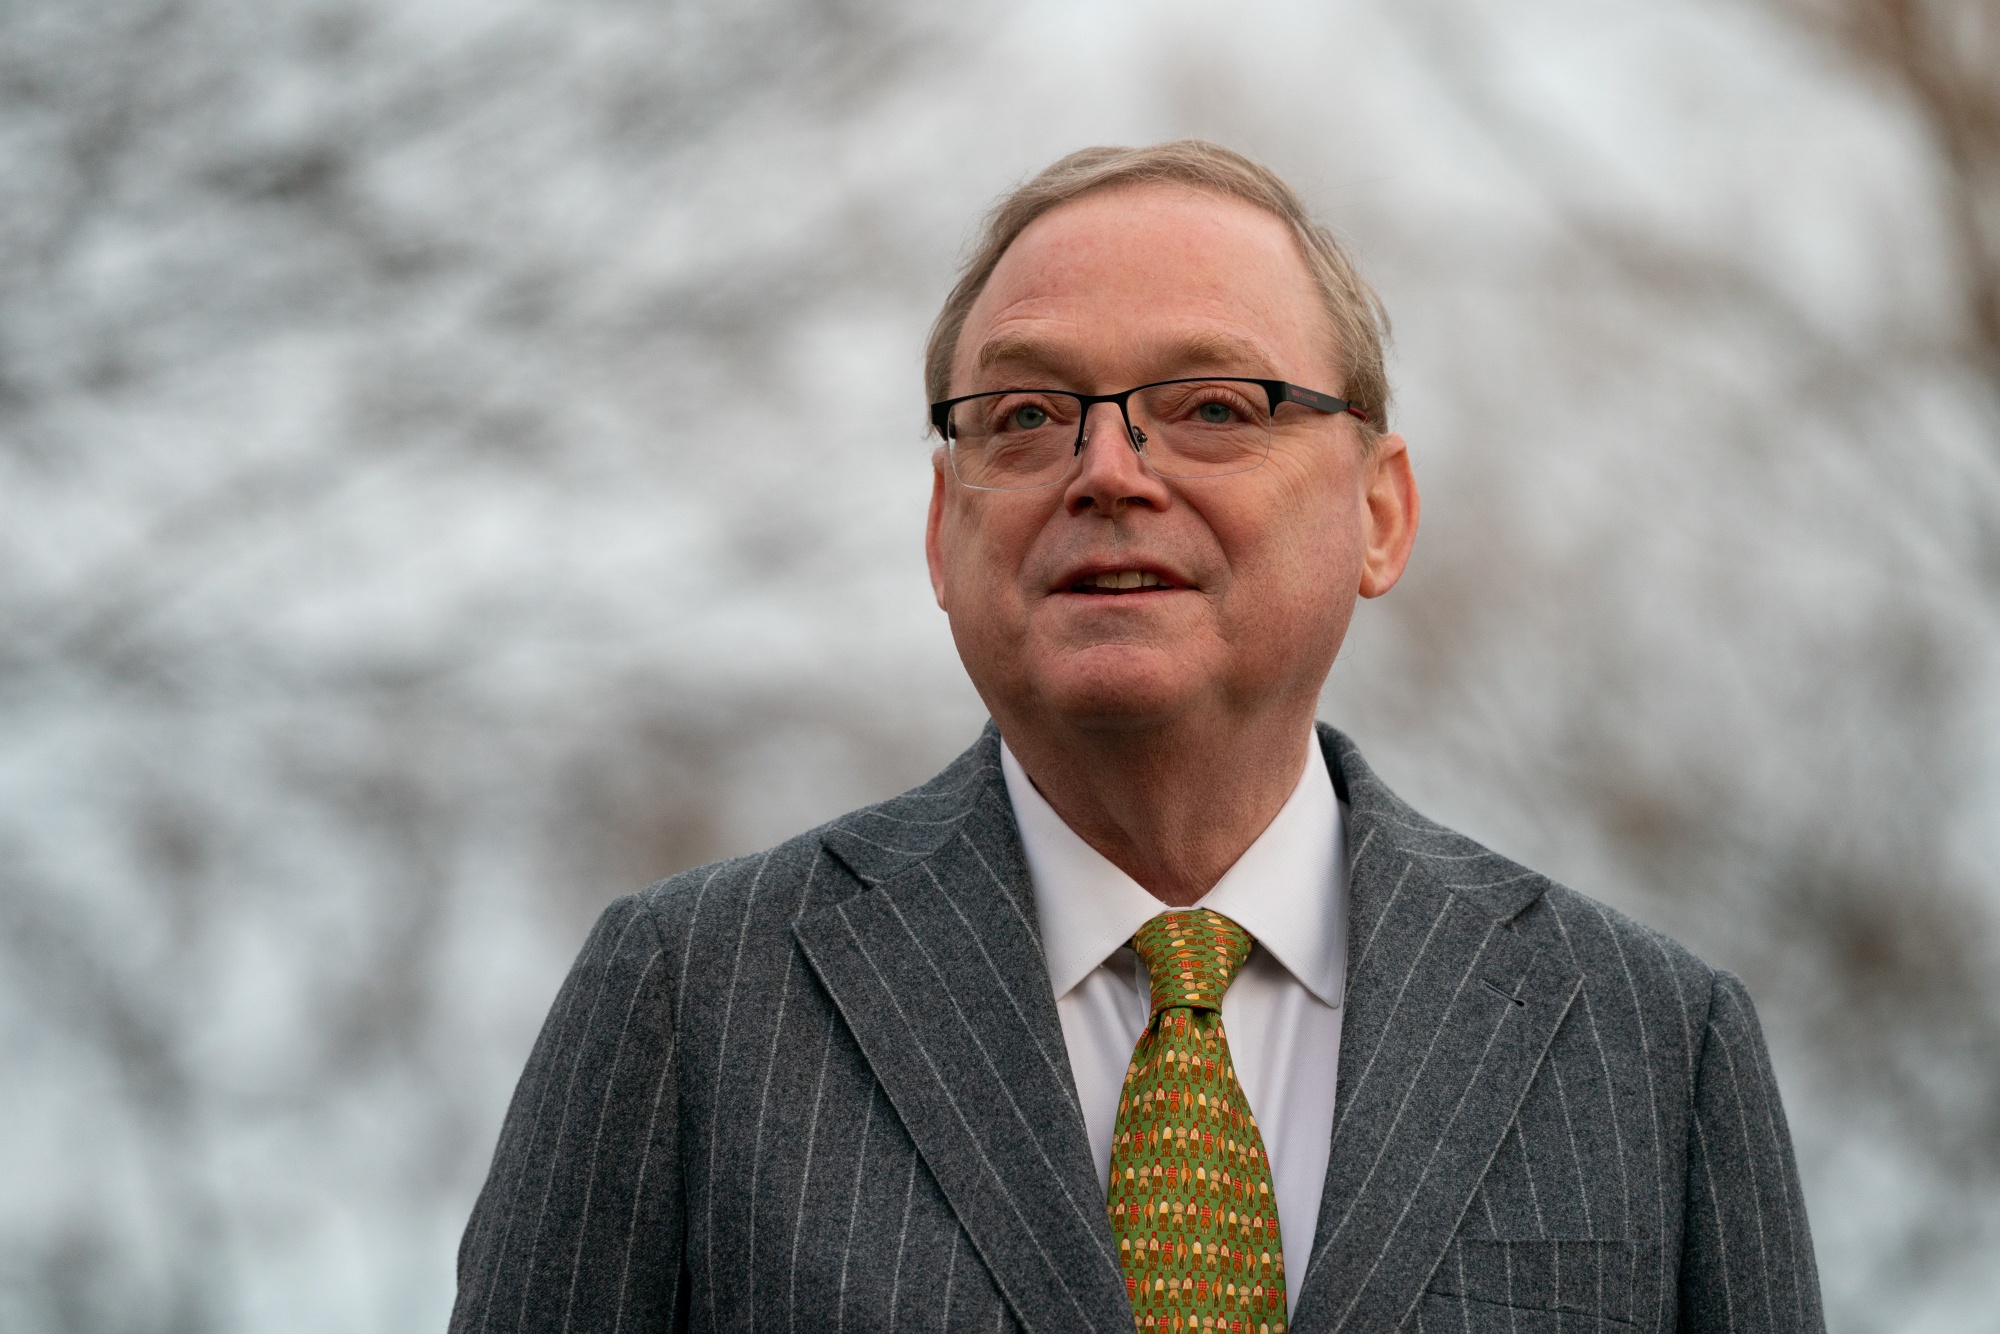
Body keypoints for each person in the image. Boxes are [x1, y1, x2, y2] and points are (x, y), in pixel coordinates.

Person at [450, 141, 1823, 1334]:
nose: (1108, 470)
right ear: (943, 527)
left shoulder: (1653, 1044)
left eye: (1214, 407)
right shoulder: (692, 1001)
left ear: (1383, 512)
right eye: (1028, 415)